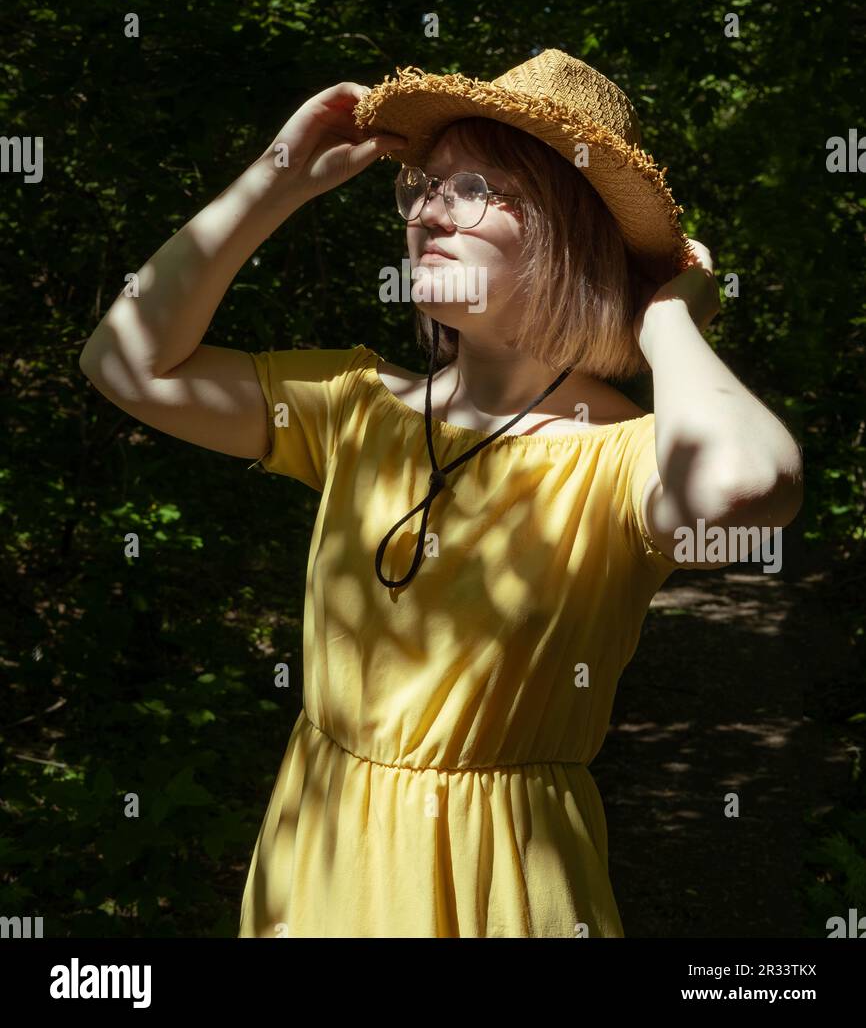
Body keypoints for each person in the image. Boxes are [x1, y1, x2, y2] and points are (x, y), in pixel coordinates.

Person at [79, 49, 804, 938]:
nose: (426, 212)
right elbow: (123, 363)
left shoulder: (623, 457)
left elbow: (749, 486)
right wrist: (276, 182)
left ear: (564, 229)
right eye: (420, 190)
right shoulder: (357, 409)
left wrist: (668, 321)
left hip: (497, 887)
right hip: (315, 864)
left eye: (470, 190)